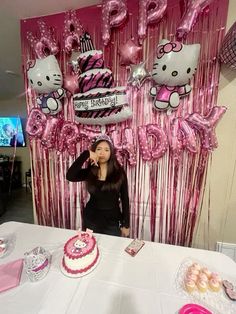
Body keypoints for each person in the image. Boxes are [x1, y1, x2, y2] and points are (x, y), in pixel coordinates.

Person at [66, 134, 130, 237]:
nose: (102, 153)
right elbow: (70, 176)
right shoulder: (90, 171)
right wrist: (86, 154)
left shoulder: (119, 173)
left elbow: (125, 199)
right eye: (99, 149)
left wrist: (126, 224)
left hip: (112, 222)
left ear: (111, 153)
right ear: (94, 151)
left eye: (106, 150)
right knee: (91, 249)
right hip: (91, 220)